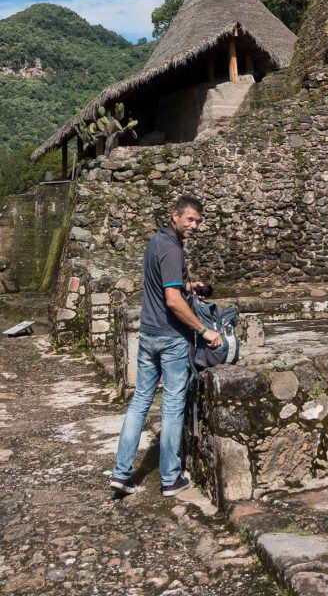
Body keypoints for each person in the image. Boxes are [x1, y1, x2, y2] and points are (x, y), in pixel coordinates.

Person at [110, 195, 221, 497]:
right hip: (170, 339)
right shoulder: (172, 248)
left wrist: (189, 286)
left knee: (139, 403)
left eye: (198, 221)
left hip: (148, 335)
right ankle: (171, 478)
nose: (195, 225)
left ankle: (121, 474)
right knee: (171, 408)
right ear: (175, 216)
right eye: (190, 219)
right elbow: (172, 302)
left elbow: (165, 286)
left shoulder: (156, 242)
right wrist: (205, 331)